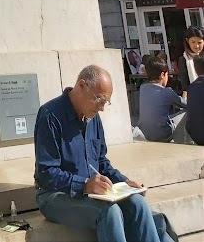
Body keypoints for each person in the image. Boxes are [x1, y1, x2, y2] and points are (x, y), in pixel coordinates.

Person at [35, 64, 176, 242]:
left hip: (92, 193)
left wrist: (124, 182)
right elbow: (46, 173)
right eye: (99, 100)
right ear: (81, 86)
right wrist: (84, 184)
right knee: (110, 212)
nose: (102, 108)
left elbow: (101, 162)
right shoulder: (50, 115)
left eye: (106, 102)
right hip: (54, 195)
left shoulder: (93, 118)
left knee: (138, 203)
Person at [137, 56, 187, 143]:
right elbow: (186, 104)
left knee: (168, 117)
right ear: (162, 75)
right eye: (167, 74)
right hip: (163, 135)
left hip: (145, 133)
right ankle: (183, 141)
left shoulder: (142, 88)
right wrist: (185, 95)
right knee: (187, 111)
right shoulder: (167, 92)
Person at [177, 26, 204, 96]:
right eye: (193, 42)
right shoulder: (183, 59)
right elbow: (185, 84)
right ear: (187, 41)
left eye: (199, 42)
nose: (197, 46)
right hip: (196, 95)